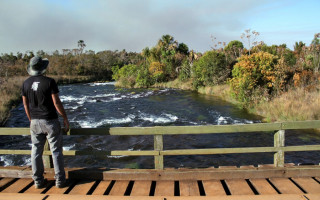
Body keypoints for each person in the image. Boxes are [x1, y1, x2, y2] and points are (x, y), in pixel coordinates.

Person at [22, 56, 69, 189]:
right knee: (56, 151)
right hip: (50, 121)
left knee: (36, 151)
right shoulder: (49, 82)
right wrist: (65, 118)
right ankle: (60, 181)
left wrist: (31, 119)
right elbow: (56, 102)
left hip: (35, 122)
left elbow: (25, 105)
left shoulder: (25, 83)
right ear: (43, 68)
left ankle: (38, 181)